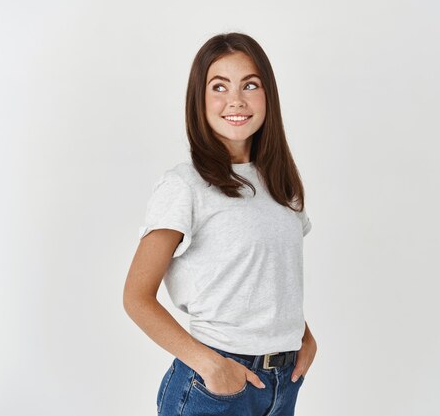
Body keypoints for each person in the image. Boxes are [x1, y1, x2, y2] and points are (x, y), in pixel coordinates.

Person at [123, 32, 317, 416]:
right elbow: (136, 297)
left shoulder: (282, 184)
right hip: (218, 385)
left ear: (267, 96)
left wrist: (305, 337)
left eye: (250, 84)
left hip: (283, 381)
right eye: (219, 86)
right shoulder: (186, 185)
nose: (236, 100)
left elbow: (268, 279)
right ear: (200, 100)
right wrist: (211, 365)